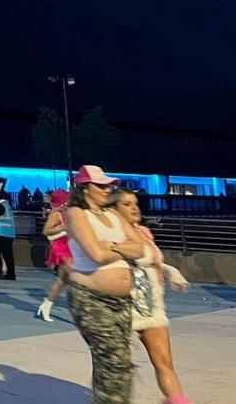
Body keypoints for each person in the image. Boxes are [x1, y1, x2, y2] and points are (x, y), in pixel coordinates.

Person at [65, 165, 146, 404]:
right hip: (90, 298)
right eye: (100, 185)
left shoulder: (113, 215)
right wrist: (122, 249)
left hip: (121, 301)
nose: (106, 189)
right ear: (85, 189)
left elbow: (140, 248)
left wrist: (111, 246)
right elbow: (95, 255)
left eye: (108, 185)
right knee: (115, 358)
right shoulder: (77, 213)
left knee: (117, 361)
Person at [108, 188, 193, 404]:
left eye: (135, 203)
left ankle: (177, 400)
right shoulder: (108, 233)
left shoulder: (143, 232)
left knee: (164, 362)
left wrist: (170, 271)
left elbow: (153, 261)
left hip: (150, 305)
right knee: (113, 368)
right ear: (113, 209)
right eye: (126, 204)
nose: (134, 208)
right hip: (120, 305)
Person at [36, 189, 72, 322]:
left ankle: (47, 305)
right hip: (61, 248)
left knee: (62, 281)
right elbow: (46, 231)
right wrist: (62, 228)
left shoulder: (70, 212)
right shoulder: (56, 213)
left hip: (72, 246)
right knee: (76, 278)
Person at [0, 193, 17, 280]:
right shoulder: (7, 205)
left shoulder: (1, 206)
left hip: (1, 232)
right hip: (10, 233)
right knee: (7, 254)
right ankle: (11, 273)